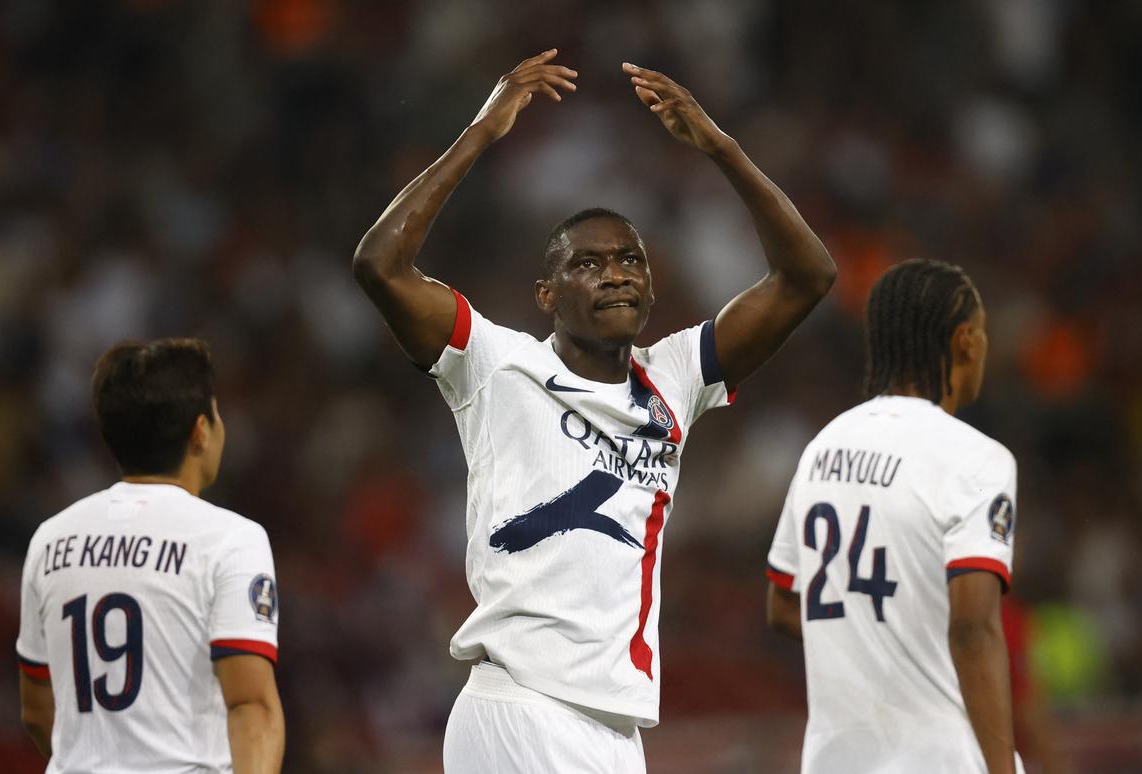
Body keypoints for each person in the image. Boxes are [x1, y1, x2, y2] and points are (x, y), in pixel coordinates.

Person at [353, 49, 835, 772]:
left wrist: (721, 148)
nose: (615, 273)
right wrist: (483, 131)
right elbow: (380, 264)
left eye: (631, 260)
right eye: (587, 262)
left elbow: (808, 275)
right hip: (521, 708)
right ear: (546, 293)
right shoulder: (498, 364)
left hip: (615, 729)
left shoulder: (673, 376)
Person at [766, 258, 1024, 773]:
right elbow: (973, 629)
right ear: (967, 341)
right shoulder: (977, 459)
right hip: (941, 757)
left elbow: (782, 606)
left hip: (834, 760)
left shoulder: (824, 445)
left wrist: (868, 642)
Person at [16, 338, 284, 774]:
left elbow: (37, 710)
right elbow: (251, 705)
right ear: (201, 430)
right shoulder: (231, 539)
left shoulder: (51, 540)